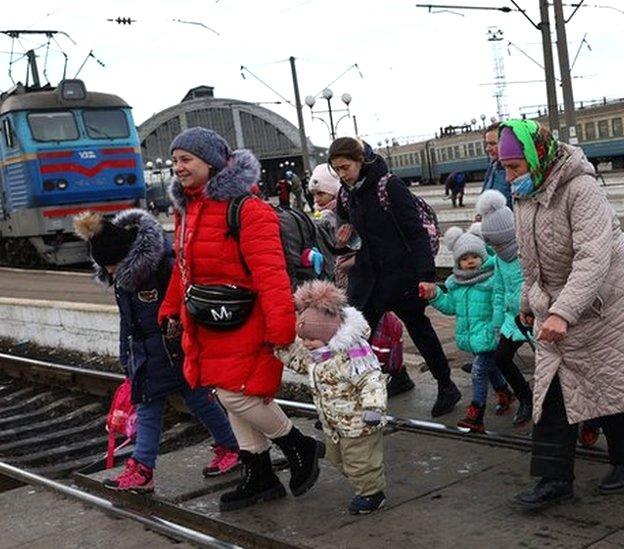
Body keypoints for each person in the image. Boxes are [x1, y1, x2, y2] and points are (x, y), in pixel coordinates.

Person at [159, 127, 324, 511]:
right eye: (175, 161)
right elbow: (182, 268)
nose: (178, 168)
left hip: (248, 321)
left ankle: (297, 444)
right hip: (210, 321)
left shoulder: (248, 210)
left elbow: (272, 274)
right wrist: (169, 307)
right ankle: (259, 474)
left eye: (186, 160)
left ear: (211, 163)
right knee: (226, 392)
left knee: (237, 393)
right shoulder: (186, 209)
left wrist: (281, 327)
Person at [496, 119, 624, 509]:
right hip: (559, 308)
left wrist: (563, 312)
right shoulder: (527, 195)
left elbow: (593, 257)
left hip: (606, 306)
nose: (508, 175)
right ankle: (554, 481)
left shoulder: (580, 189)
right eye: (504, 167)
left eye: (514, 167)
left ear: (537, 158)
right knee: (551, 393)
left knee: (613, 383)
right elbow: (530, 262)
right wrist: (527, 305)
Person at [73, 209, 240, 493]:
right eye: (106, 267)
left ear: (124, 256)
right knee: (198, 399)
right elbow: (128, 322)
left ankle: (143, 469)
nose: (110, 272)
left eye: (112, 265)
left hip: (170, 349)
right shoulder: (125, 276)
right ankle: (231, 446)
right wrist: (125, 355)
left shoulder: (160, 269)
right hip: (149, 352)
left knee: (150, 408)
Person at [330, 137, 462, 416]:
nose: (342, 174)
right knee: (354, 338)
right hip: (367, 279)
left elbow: (416, 233)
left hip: (401, 277)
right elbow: (351, 234)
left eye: (345, 167)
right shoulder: (346, 193)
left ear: (360, 161)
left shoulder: (388, 186)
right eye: (336, 169)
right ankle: (355, 399)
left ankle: (446, 385)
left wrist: (425, 275)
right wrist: (344, 239)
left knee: (420, 332)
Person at [276, 281, 388, 515]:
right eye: (303, 339)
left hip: (360, 424)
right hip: (334, 423)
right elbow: (299, 361)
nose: (306, 344)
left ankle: (372, 494)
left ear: (329, 334)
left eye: (310, 340)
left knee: (360, 461)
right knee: (337, 458)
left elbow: (372, 380)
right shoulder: (318, 355)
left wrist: (373, 408)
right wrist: (281, 349)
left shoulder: (351, 356)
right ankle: (364, 481)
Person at [422, 227, 517, 433]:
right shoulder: (456, 285)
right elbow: (450, 307)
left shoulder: (492, 280)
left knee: (479, 370)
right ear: (458, 262)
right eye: (465, 258)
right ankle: (504, 392)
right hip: (474, 338)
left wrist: (498, 328)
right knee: (490, 368)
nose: (471, 261)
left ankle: (476, 413)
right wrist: (436, 295)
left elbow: (501, 304)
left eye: (475, 256)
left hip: (491, 334)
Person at [476, 189, 533, 426]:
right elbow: (499, 291)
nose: (496, 249)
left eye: (498, 243)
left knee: (554, 365)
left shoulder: (526, 253)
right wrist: (498, 322)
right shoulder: (500, 258)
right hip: (512, 318)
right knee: (502, 357)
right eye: (492, 244)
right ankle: (525, 398)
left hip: (533, 315)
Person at [482, 122, 513, 210]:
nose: (487, 149)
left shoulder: (516, 171)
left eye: (492, 144)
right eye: (487, 144)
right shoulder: (493, 166)